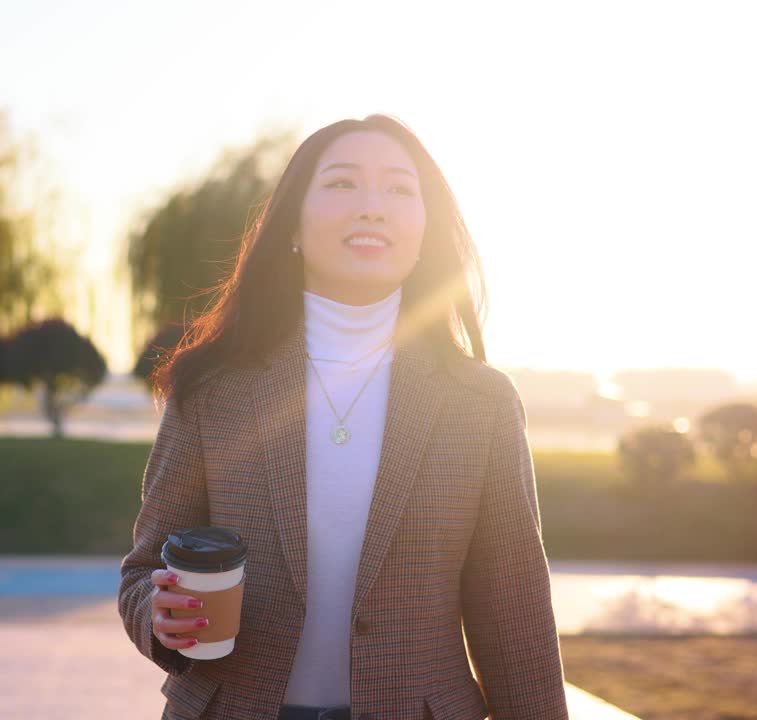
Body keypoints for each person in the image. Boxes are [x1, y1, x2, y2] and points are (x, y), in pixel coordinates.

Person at [118, 114, 568, 720]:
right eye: (342, 184)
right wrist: (160, 613)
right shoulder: (213, 389)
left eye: (399, 189)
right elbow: (145, 570)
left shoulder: (480, 403)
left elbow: (514, 613)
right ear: (294, 225)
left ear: (425, 230)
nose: (372, 207)